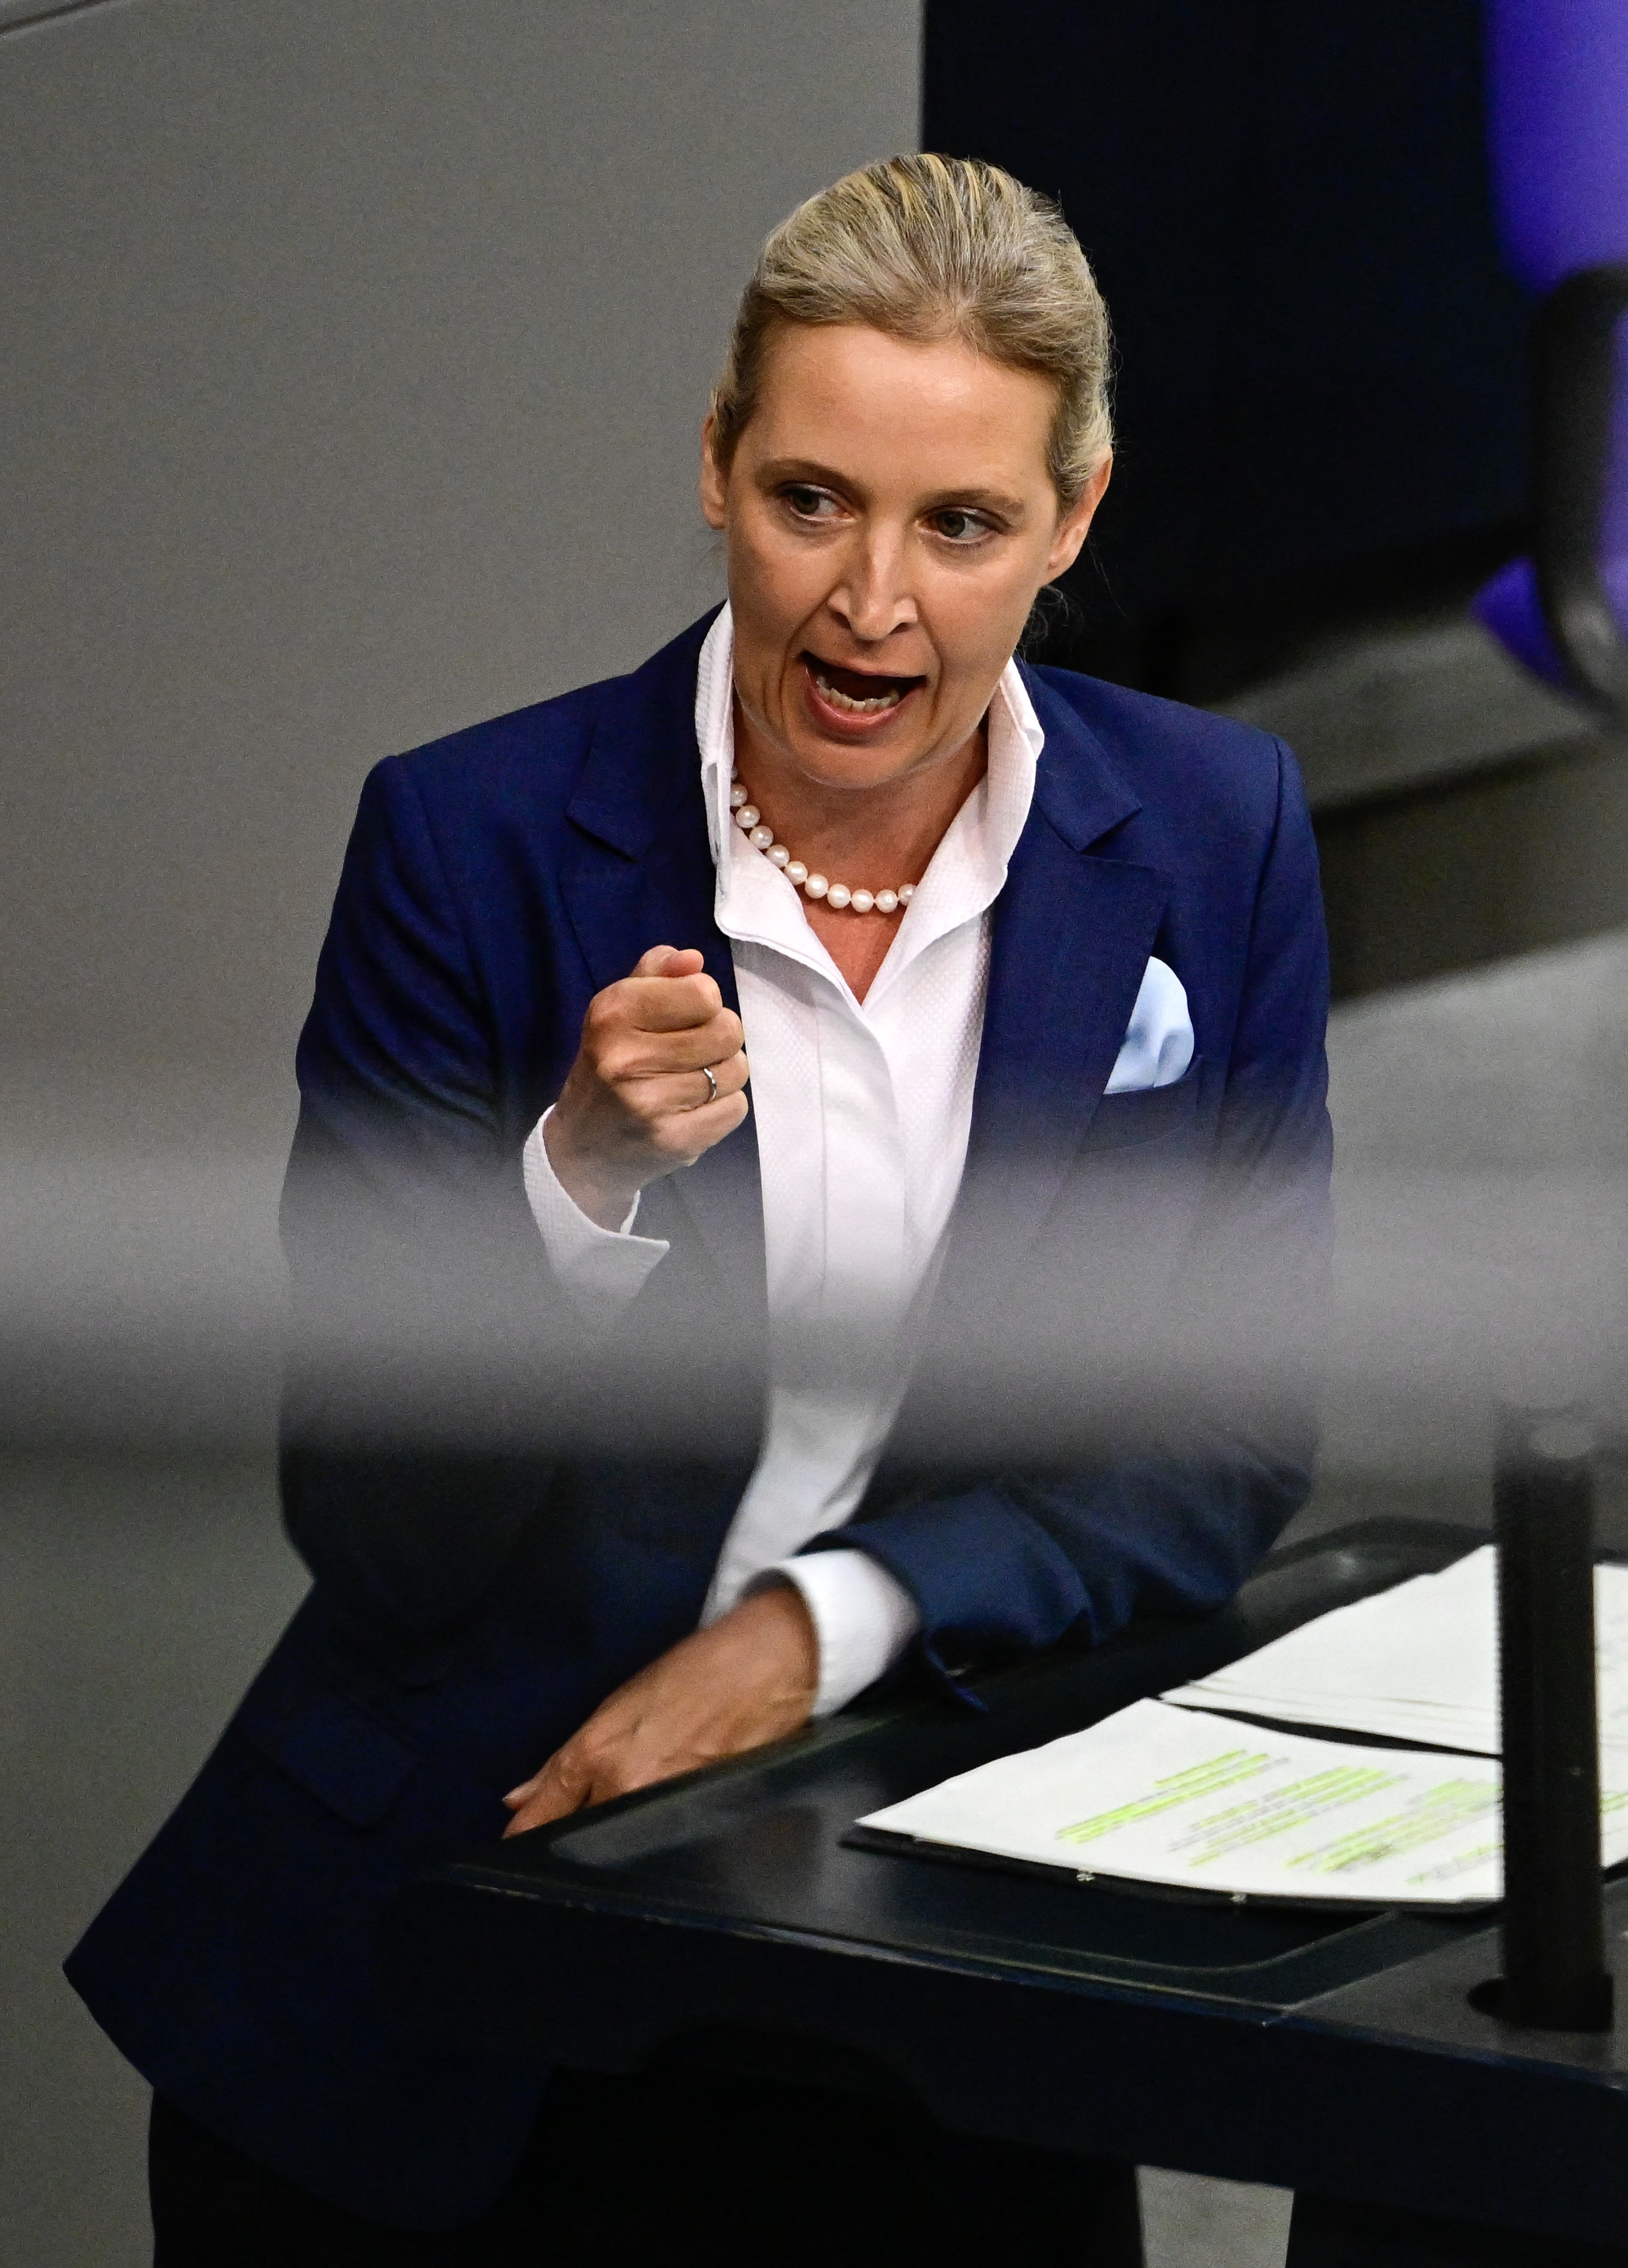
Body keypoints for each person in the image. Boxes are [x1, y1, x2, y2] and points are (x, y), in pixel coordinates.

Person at [68, 154, 1332, 2264]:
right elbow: (370, 1530)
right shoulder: (469, 842)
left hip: (928, 1926)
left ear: (1076, 521)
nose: (874, 603)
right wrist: (571, 1186)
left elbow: (1225, 1434)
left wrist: (814, 1629)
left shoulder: (1216, 835)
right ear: (718, 465)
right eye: (812, 499)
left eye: (965, 525)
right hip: (454, 1969)